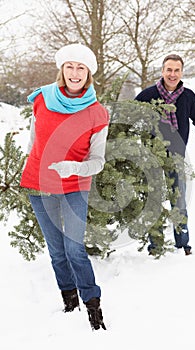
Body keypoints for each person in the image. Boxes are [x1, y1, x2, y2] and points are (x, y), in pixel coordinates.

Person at [20, 43, 109, 330]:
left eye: (81, 67)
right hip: (39, 183)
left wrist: (74, 168)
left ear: (88, 74)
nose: (74, 72)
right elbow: (34, 140)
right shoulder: (42, 99)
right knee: (56, 249)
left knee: (74, 248)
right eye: (70, 66)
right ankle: (68, 297)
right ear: (62, 69)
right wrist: (31, 166)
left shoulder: (97, 113)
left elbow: (97, 160)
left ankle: (92, 305)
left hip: (75, 185)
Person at [135, 54, 195, 256]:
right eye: (169, 70)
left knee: (179, 201)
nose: (172, 74)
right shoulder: (147, 95)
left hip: (176, 157)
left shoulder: (187, 97)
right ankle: (155, 246)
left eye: (176, 70)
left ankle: (182, 244)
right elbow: (129, 120)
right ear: (162, 71)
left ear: (181, 72)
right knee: (153, 203)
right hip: (152, 159)